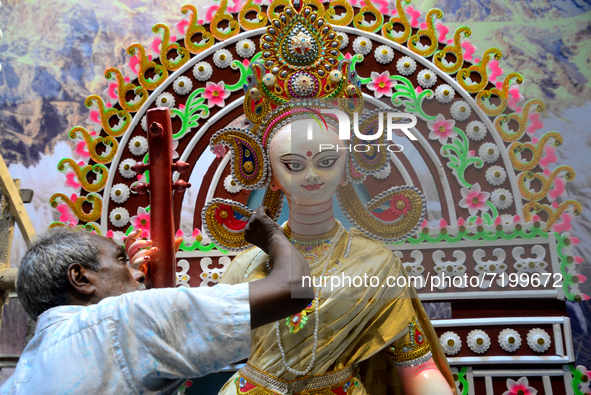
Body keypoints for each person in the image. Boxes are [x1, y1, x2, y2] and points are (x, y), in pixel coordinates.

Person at [211, 118, 456, 395]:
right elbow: (204, 344)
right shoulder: (246, 266)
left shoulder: (377, 263)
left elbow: (416, 364)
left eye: (326, 162)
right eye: (294, 165)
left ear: (345, 171)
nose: (312, 175)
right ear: (273, 178)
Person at [0, 207, 314, 395]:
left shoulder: (18, 381)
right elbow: (295, 288)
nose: (138, 274)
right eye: (121, 260)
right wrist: (271, 234)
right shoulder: (121, 320)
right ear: (81, 279)